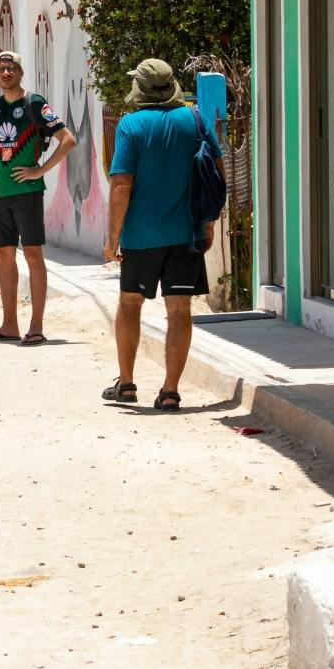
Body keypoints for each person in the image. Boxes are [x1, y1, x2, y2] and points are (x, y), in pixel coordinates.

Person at [102, 59, 216, 409]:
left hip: (140, 237)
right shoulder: (195, 119)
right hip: (185, 233)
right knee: (180, 309)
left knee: (130, 304)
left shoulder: (130, 125)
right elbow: (215, 173)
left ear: (140, 88)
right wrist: (208, 224)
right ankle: (170, 391)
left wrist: (112, 238)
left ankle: (127, 383)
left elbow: (121, 184)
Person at [0, 50, 76, 347]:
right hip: (1, 195)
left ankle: (36, 326)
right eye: (0, 69)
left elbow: (68, 140)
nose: (6, 73)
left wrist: (39, 171)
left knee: (33, 255)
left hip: (28, 194)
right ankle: (9, 325)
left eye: (11, 68)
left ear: (20, 72)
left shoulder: (34, 103)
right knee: (3, 255)